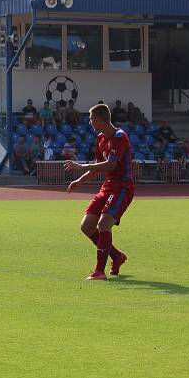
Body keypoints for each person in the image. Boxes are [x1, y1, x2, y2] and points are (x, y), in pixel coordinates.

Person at [64, 104, 132, 280]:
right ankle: (117, 256)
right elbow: (98, 166)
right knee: (86, 226)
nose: (89, 121)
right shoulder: (101, 138)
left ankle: (99, 271)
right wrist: (79, 180)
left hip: (122, 188)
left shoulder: (119, 137)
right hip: (108, 186)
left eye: (91, 118)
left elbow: (111, 165)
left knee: (103, 224)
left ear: (99, 119)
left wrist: (81, 166)